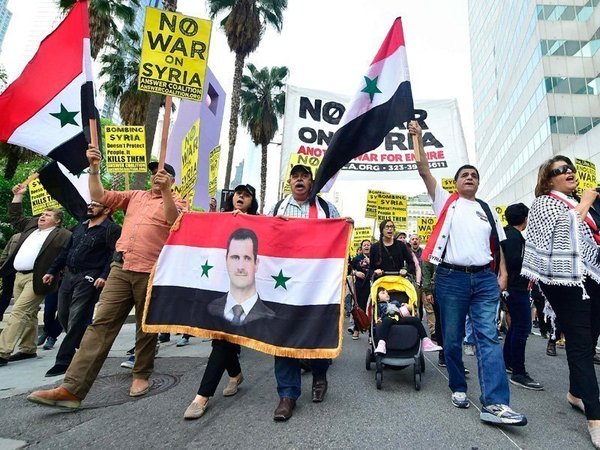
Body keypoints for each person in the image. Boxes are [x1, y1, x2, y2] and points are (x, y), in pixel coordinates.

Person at [27, 147, 186, 409]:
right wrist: (94, 168)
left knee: (146, 327)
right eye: (154, 173)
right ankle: (72, 389)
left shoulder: (178, 200)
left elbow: (175, 222)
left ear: (172, 180)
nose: (157, 177)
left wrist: (167, 191)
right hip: (120, 268)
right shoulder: (135, 196)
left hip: (151, 271)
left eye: (163, 174)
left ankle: (141, 374)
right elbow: (99, 196)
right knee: (100, 325)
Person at [411, 120, 527, 426]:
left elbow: (499, 245)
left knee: (488, 337)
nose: (470, 178)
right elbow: (423, 169)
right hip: (452, 279)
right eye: (465, 175)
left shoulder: (487, 209)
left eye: (474, 175)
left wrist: (502, 273)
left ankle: (496, 403)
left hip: (486, 280)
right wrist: (418, 138)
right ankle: (458, 385)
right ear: (455, 182)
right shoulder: (446, 202)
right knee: (451, 339)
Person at [521, 155, 600, 447]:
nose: (569, 172)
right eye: (560, 170)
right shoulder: (545, 203)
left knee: (590, 338)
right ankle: (595, 417)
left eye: (571, 169)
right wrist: (586, 203)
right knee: (580, 342)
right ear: (548, 179)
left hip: (591, 277)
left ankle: (576, 393)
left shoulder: (579, 202)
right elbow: (560, 233)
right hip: (563, 280)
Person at [267, 164, 343, 422]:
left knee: (316, 331)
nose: (299, 180)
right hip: (284, 284)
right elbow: (262, 236)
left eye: (304, 176)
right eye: (295, 176)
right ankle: (287, 395)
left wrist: (347, 226)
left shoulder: (327, 209)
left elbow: (340, 240)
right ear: (289, 182)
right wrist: (239, 218)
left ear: (311, 182)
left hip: (316, 284)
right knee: (283, 335)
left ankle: (319, 374)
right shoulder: (277, 209)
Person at [184, 184, 260, 420]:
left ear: (252, 202)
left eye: (246, 195)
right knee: (220, 338)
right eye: (238, 194)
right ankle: (235, 375)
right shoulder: (221, 219)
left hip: (242, 289)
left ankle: (202, 396)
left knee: (222, 340)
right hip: (218, 287)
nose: (241, 197)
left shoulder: (260, 222)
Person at [42, 201, 121, 377]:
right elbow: (66, 251)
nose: (90, 206)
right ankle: (89, 346)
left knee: (76, 317)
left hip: (89, 278)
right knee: (63, 315)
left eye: (96, 205)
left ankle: (63, 360)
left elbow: (113, 254)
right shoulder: (80, 226)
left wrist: (104, 276)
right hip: (69, 276)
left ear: (107, 210)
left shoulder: (112, 229)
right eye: (90, 204)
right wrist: (52, 271)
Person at [0, 186, 71, 366]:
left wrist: (56, 274)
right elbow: (15, 216)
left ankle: (2, 351)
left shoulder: (62, 235)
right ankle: (27, 349)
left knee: (18, 312)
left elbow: (68, 255)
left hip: (38, 278)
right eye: (42, 214)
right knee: (30, 313)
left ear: (57, 221)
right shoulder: (31, 227)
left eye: (48, 215)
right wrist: (18, 196)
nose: (42, 216)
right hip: (19, 276)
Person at [500, 203, 543, 390]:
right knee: (522, 327)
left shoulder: (507, 234)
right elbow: (513, 261)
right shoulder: (513, 237)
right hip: (516, 287)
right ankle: (519, 372)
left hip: (513, 287)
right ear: (525, 219)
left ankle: (509, 362)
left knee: (516, 326)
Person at [207, 228, 275, 325]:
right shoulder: (210, 309)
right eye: (235, 257)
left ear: (256, 264)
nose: (240, 267)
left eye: (247, 258)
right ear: (226, 260)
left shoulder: (271, 318)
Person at [373, 287, 441, 354]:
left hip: (399, 318)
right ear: (378, 298)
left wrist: (407, 307)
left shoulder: (394, 302)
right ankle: (381, 344)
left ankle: (426, 341)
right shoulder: (379, 305)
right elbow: (377, 315)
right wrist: (378, 319)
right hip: (387, 319)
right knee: (387, 320)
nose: (386, 294)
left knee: (416, 320)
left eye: (387, 293)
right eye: (383, 293)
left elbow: (405, 309)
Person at [409, 233, 435, 337]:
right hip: (412, 283)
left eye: (416, 239)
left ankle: (433, 331)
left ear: (419, 241)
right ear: (410, 242)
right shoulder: (407, 254)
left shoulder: (425, 253)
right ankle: (414, 330)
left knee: (429, 308)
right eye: (412, 239)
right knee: (414, 307)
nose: (415, 241)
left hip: (425, 283)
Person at [349, 239, 371, 339]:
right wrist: (356, 273)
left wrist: (371, 262)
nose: (366, 247)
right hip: (360, 286)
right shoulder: (357, 258)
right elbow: (349, 270)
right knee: (359, 307)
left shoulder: (375, 257)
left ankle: (371, 333)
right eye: (364, 245)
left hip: (372, 285)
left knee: (372, 308)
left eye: (368, 245)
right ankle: (357, 329)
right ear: (361, 247)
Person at [0, 233, 20, 321]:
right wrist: (2, 266)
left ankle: (17, 316)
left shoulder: (35, 236)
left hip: (24, 270)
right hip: (9, 269)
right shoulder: (15, 236)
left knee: (20, 294)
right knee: (6, 292)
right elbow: (5, 253)